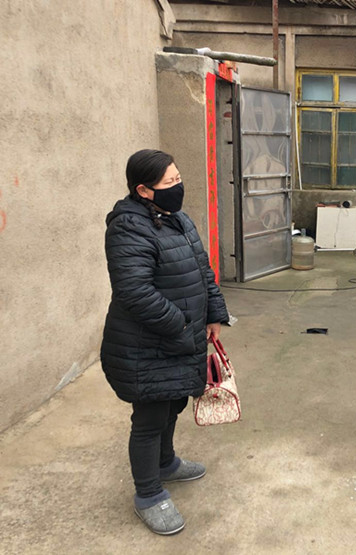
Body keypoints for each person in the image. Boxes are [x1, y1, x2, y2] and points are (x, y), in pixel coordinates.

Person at [100, 149, 229, 535]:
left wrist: (214, 313)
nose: (178, 187)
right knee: (150, 418)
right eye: (169, 182)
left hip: (180, 338)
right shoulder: (128, 227)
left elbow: (202, 268)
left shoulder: (177, 218)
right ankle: (148, 494)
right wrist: (183, 325)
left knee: (173, 403)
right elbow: (134, 292)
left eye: (178, 178)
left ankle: (167, 463)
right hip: (147, 344)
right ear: (143, 190)